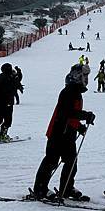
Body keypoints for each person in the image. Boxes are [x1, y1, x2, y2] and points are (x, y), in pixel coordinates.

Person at [32, 63, 95, 200]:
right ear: (78, 76)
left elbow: (71, 115)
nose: (86, 79)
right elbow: (66, 112)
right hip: (58, 133)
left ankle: (66, 188)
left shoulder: (76, 92)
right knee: (51, 161)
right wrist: (84, 116)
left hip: (68, 134)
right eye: (84, 76)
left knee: (71, 162)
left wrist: (79, 126)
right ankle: (40, 189)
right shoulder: (68, 92)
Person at [0, 63, 20, 142]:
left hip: (1, 101)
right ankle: (3, 135)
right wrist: (16, 76)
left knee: (0, 117)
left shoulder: (1, 76)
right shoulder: (8, 78)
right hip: (7, 101)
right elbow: (13, 87)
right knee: (7, 119)